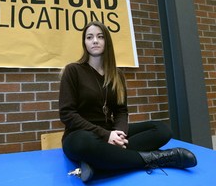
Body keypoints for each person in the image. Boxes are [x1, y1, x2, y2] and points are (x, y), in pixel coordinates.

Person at [58, 21, 197, 182]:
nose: (95, 40)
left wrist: (119, 134)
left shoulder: (116, 74)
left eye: (100, 37)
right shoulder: (73, 70)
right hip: (81, 136)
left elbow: (121, 111)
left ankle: (98, 165)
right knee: (84, 143)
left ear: (106, 41)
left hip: (111, 132)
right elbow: (67, 114)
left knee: (161, 129)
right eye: (89, 37)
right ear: (85, 43)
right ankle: (158, 158)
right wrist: (105, 135)